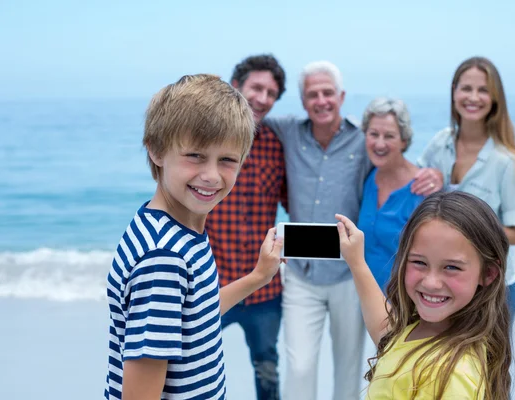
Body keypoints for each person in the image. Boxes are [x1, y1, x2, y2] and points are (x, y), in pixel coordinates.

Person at [104, 74, 284, 400]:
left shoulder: (179, 230)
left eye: (227, 160)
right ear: (157, 151)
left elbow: (197, 313)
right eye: (195, 156)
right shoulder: (163, 260)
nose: (212, 175)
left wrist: (259, 276)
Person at [336, 191, 513, 400]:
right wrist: (357, 262)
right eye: (419, 262)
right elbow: (388, 334)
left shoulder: (451, 375)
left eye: (451, 267)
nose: (431, 282)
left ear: (488, 273)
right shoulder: (421, 331)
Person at [264, 61, 370, 400]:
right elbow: (248, 115)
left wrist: (431, 177)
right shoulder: (289, 130)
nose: (321, 101)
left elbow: (395, 165)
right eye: (312, 95)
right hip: (301, 274)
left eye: (328, 93)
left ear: (341, 96)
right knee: (300, 368)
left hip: (347, 277)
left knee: (349, 369)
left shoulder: (364, 140)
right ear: (302, 100)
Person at [414, 56, 515, 319]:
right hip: (445, 282)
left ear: (495, 99)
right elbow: (413, 191)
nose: (473, 97)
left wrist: (466, 232)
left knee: (485, 361)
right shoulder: (440, 144)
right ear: (454, 93)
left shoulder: (506, 162)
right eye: (466, 88)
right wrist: (427, 177)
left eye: (483, 90)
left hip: (493, 287)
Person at [205, 54, 287, 400]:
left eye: (271, 93)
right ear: (236, 85)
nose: (263, 98)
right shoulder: (207, 138)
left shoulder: (275, 145)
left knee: (267, 367)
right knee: (193, 364)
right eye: (257, 87)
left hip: (263, 290)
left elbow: (298, 202)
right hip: (212, 284)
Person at [357, 97, 426, 292]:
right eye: (373, 134)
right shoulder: (368, 179)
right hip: (369, 301)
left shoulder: (423, 190)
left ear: (404, 141)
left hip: (408, 304)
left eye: (389, 136)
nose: (380, 143)